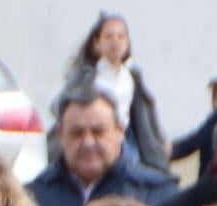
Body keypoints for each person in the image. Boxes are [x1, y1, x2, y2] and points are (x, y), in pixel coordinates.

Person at [32, 90, 172, 206]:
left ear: (120, 131)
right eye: (77, 133)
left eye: (98, 132)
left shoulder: (156, 193)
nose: (88, 142)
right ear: (60, 135)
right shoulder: (34, 196)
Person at [57, 14, 171, 176]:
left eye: (120, 36)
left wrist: (161, 139)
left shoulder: (132, 76)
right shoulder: (88, 77)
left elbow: (147, 112)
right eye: (109, 37)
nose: (115, 41)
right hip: (98, 134)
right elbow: (61, 105)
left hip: (127, 138)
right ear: (97, 43)